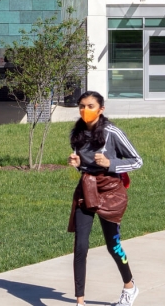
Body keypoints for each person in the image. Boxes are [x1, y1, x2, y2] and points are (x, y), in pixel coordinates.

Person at [68, 91, 143, 306]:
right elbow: (84, 165)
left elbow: (137, 161)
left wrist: (110, 164)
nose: (85, 110)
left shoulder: (112, 132)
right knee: (80, 246)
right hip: (87, 190)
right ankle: (80, 301)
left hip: (111, 193)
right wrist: (77, 164)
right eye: (81, 106)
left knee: (113, 245)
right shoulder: (77, 134)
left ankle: (130, 286)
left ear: (101, 109)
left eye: (90, 106)